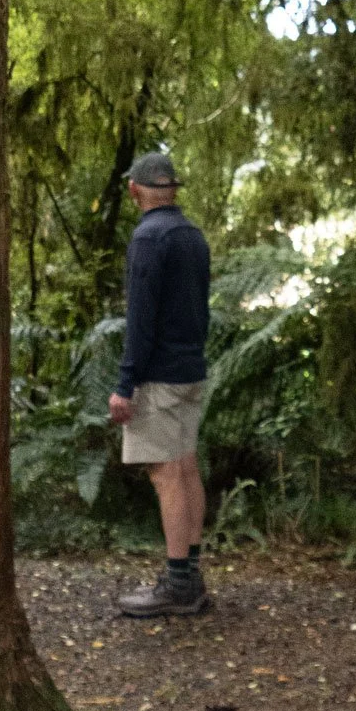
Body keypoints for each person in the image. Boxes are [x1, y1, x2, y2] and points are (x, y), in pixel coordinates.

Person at [109, 151, 211, 618]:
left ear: (135, 190)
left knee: (165, 474)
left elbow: (141, 318)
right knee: (186, 468)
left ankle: (176, 585)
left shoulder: (149, 238)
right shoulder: (192, 234)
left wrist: (125, 384)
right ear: (172, 189)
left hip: (160, 376)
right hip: (191, 370)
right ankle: (189, 575)